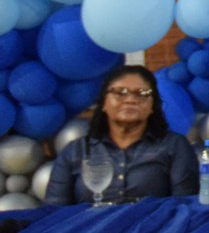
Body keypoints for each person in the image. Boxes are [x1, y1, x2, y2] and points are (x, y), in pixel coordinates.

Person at [44, 65, 197, 205]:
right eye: (120, 92)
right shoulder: (75, 151)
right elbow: (54, 214)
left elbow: (183, 206)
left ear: (152, 106)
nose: (130, 100)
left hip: (153, 232)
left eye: (142, 93)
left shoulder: (174, 145)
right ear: (103, 103)